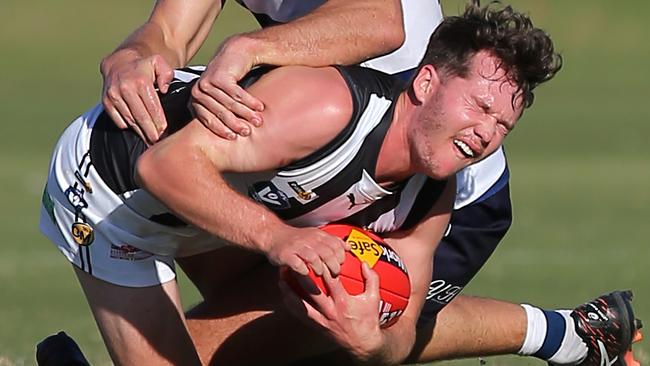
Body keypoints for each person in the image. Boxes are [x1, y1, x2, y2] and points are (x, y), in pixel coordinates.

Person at [39, 2, 565, 365]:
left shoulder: (434, 195)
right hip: (112, 198)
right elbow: (161, 167)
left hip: (225, 198)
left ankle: (565, 334)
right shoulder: (329, 105)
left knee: (317, 339)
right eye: (480, 107)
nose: (486, 134)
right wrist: (280, 239)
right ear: (426, 82)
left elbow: (401, 329)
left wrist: (370, 343)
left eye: (502, 126)